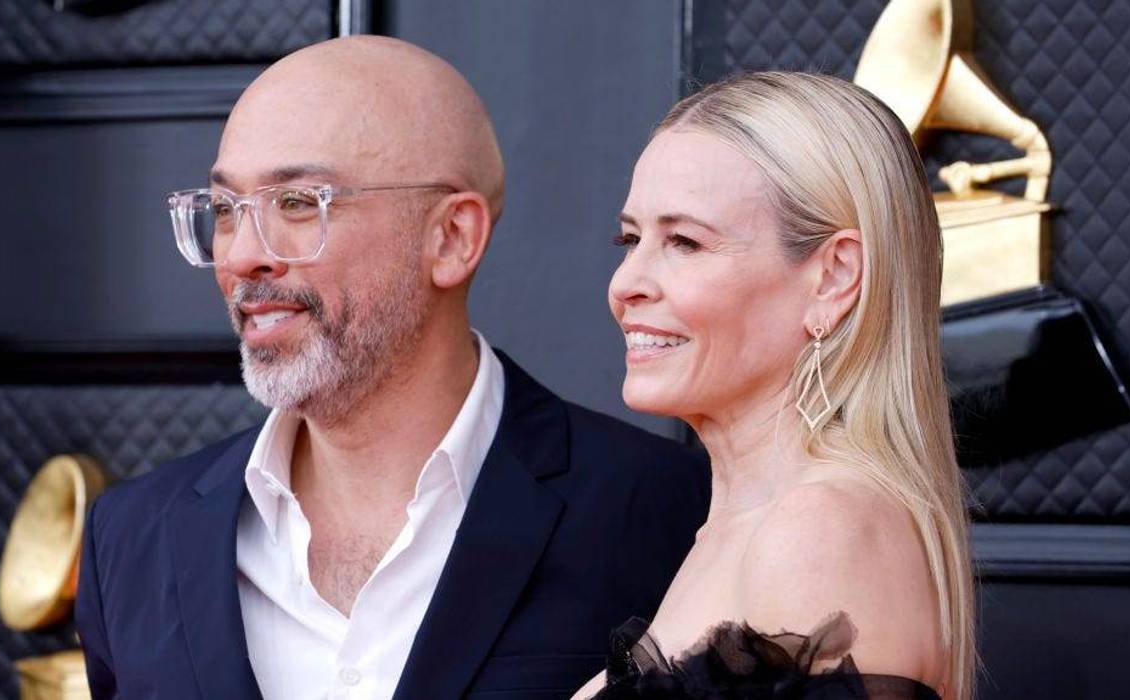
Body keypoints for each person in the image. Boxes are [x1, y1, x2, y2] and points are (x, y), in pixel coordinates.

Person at [74, 36, 709, 700]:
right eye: (228, 210)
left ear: (451, 238)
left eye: (297, 203)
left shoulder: (665, 512)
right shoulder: (132, 536)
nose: (241, 257)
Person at [574, 72, 975, 699]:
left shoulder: (817, 530)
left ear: (834, 277)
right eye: (630, 239)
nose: (625, 284)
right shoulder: (744, 525)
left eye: (685, 242)